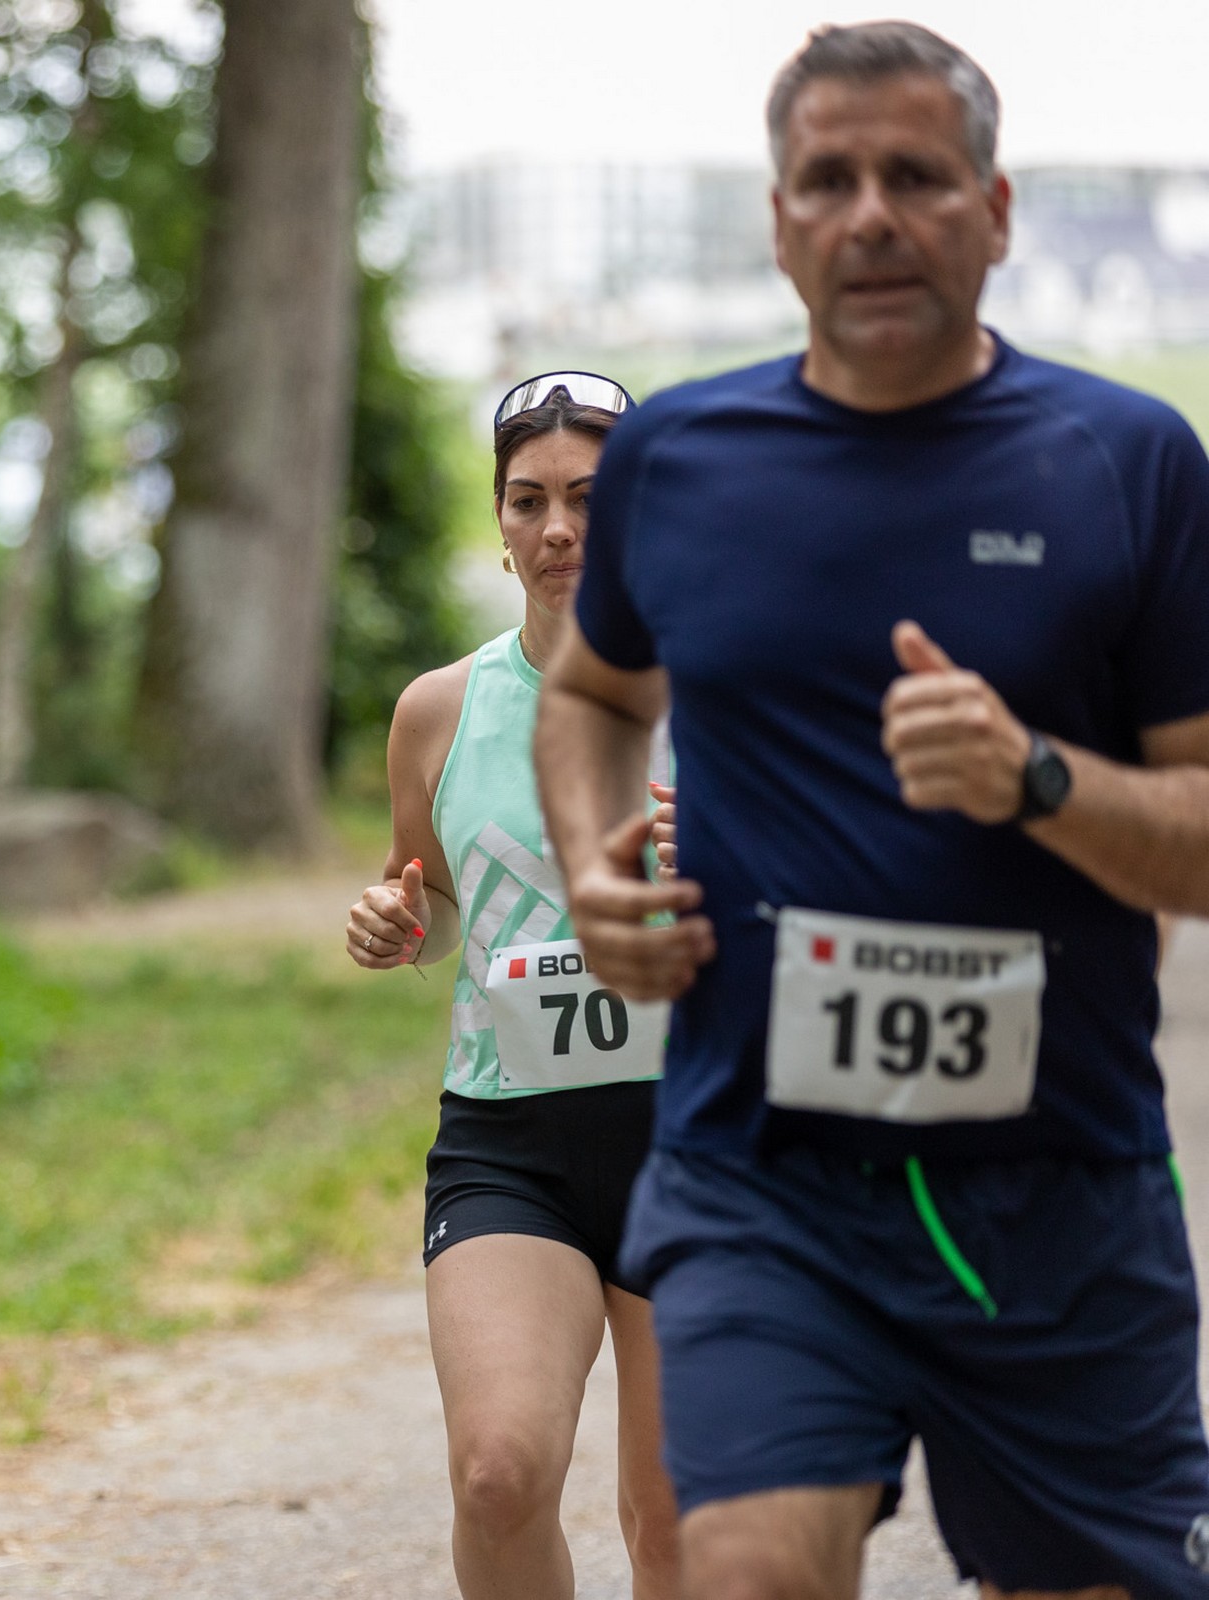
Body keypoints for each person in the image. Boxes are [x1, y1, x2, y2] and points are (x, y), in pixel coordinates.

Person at [535, 23, 1209, 1599]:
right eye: (828, 181)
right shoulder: (678, 457)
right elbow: (594, 695)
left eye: (916, 176)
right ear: (779, 224)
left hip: (1061, 1185)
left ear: (997, 209)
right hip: (762, 1176)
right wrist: (591, 870)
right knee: (747, 1575)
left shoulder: (1127, 462)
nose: (872, 217)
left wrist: (1037, 778)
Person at [347, 371, 681, 1599]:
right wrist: (395, 922)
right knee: (498, 1475)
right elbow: (431, 903)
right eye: (529, 499)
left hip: (702, 1136)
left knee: (677, 1516)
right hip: (512, 1138)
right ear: (498, 521)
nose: (559, 529)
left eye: (591, 497)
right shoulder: (439, 710)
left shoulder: (730, 694)